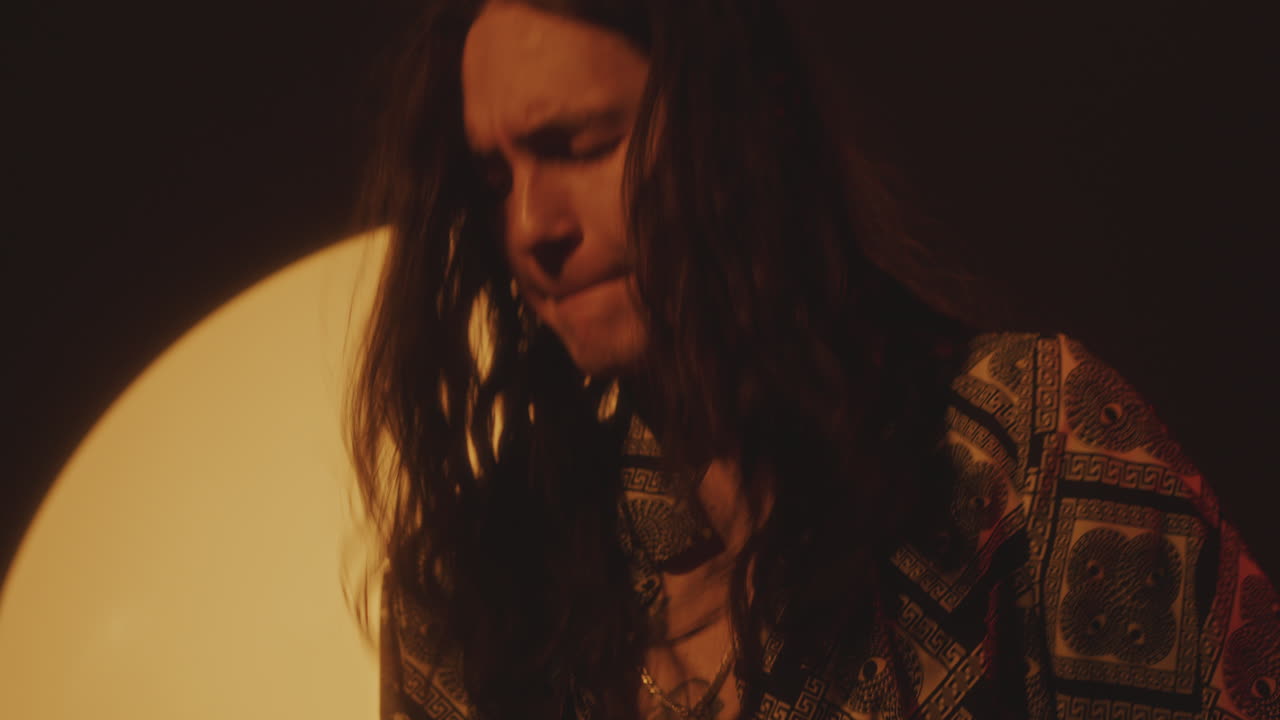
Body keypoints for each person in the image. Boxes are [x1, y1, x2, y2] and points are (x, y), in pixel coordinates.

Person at [344, 1, 1278, 719]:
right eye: (495, 177)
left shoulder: (1030, 445)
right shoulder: (476, 597)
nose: (529, 226)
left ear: (740, 124)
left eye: (579, 145)